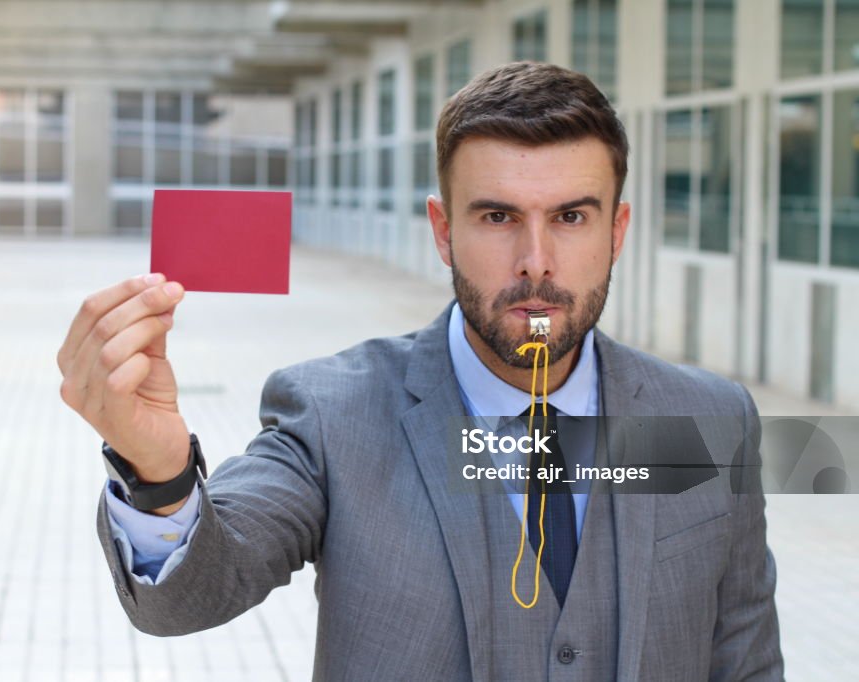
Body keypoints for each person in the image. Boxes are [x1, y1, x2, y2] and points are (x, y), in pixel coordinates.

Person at [57, 61, 783, 680]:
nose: (536, 260)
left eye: (571, 217)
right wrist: (159, 473)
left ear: (617, 230)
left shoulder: (712, 423)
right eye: (498, 217)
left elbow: (747, 661)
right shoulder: (333, 413)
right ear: (443, 231)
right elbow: (185, 596)